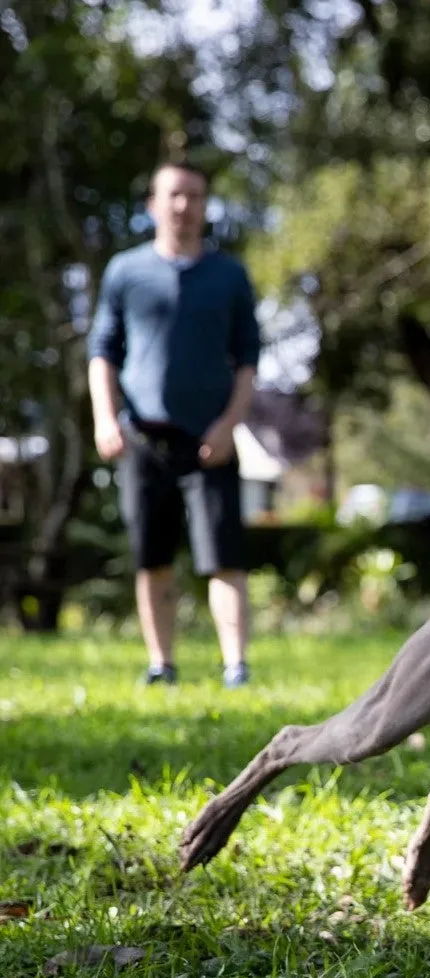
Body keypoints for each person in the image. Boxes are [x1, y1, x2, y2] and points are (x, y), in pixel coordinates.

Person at [88, 160, 260, 687]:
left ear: (206, 206)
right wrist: (105, 419)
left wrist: (229, 426)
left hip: (210, 441)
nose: (184, 206)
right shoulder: (126, 271)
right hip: (143, 438)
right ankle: (161, 663)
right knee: (152, 558)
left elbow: (248, 362)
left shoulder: (229, 276)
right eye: (174, 195)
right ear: (153, 205)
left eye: (195, 196)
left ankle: (236, 665)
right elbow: (103, 352)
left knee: (223, 558)